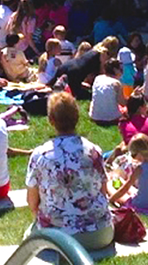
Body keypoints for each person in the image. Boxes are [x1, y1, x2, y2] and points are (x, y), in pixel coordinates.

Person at [25, 92, 113, 251]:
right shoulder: (94, 151)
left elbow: (32, 202)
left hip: (58, 237)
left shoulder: (40, 155)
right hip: (99, 233)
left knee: (29, 236)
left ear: (51, 120)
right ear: (77, 117)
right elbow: (103, 191)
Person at [108, 134, 148, 216]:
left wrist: (111, 199)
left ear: (139, 154)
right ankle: (119, 180)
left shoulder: (140, 169)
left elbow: (126, 188)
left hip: (141, 205)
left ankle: (110, 186)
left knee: (110, 186)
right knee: (130, 188)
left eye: (133, 154)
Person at [90, 60, 125, 126]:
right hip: (112, 119)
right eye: (121, 69)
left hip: (95, 117)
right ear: (115, 70)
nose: (122, 71)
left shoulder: (98, 78)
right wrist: (132, 96)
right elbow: (123, 103)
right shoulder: (116, 83)